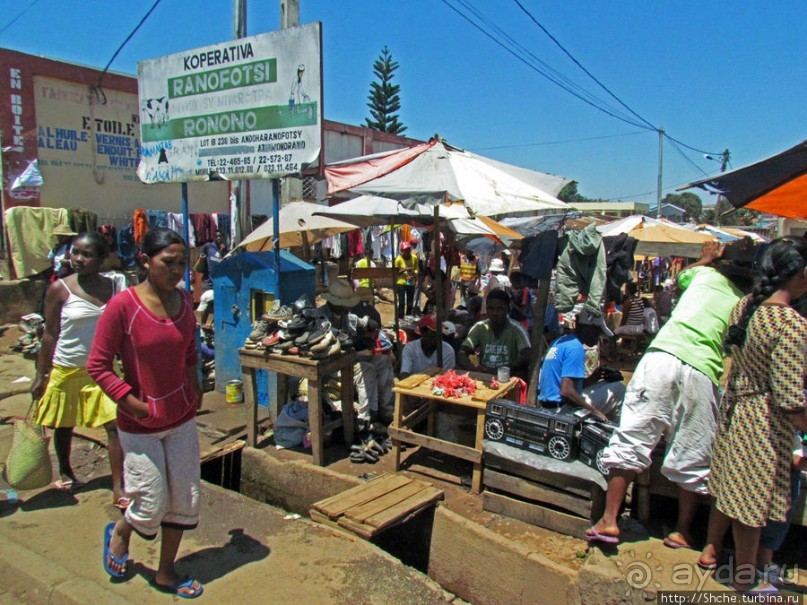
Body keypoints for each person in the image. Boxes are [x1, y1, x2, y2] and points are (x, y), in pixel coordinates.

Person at [586, 241, 751, 548]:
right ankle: (681, 530)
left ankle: (609, 521)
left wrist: (703, 259)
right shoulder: (746, 301)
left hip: (660, 358)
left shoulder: (703, 275)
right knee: (694, 451)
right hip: (702, 369)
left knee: (632, 436)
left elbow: (679, 279)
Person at [87, 228, 204, 598]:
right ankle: (121, 531)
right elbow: (98, 364)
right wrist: (128, 400)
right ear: (144, 261)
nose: (176, 271)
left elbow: (188, 351)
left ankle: (166, 571)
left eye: (181, 264)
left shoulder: (185, 303)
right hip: (139, 423)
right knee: (150, 500)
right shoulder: (123, 306)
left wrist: (195, 384)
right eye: (168, 263)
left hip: (181, 416)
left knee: (184, 499)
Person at [698, 237, 806, 593]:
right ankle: (747, 576)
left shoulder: (745, 307)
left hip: (736, 408)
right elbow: (790, 398)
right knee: (751, 505)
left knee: (731, 489)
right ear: (802, 276)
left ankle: (712, 550)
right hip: (763, 420)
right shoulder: (789, 324)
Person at [32, 232, 126, 507]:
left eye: (86, 255)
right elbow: (50, 333)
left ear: (101, 260)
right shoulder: (59, 289)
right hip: (67, 367)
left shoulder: (112, 288)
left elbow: (121, 329)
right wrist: (41, 374)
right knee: (64, 423)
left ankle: (118, 485)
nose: (78, 259)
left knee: (114, 425)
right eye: (75, 252)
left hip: (103, 369)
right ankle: (65, 470)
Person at [316, 279, 394, 428]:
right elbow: (333, 338)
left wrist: (369, 323)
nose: (347, 308)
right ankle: (367, 417)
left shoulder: (345, 315)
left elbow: (359, 321)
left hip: (348, 360)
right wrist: (357, 341)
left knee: (384, 361)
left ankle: (386, 410)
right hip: (330, 366)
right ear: (334, 303)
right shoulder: (319, 317)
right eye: (345, 305)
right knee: (366, 369)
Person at [536, 311, 622, 421]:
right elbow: (566, 391)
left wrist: (593, 378)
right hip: (561, 410)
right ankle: (615, 431)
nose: (597, 338)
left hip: (548, 404)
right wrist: (594, 411)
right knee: (618, 389)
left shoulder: (560, 341)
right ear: (589, 328)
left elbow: (561, 385)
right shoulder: (576, 347)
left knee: (609, 384)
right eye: (597, 332)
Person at [457, 289, 531, 379]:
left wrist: (502, 369)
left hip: (507, 377)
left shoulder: (516, 329)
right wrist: (473, 369)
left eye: (499, 309)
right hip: (485, 376)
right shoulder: (480, 327)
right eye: (490, 309)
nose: (494, 313)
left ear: (508, 309)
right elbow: (462, 352)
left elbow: (527, 355)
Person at [399, 314, 456, 379]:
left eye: (439, 332)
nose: (437, 335)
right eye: (433, 332)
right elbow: (404, 372)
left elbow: (445, 377)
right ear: (422, 331)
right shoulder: (410, 348)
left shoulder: (448, 351)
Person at [394, 241, 418, 318]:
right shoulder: (398, 259)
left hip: (411, 282)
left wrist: (413, 276)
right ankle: (400, 318)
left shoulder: (414, 258)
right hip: (401, 283)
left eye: (408, 249)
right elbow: (395, 272)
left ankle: (408, 318)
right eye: (406, 250)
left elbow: (417, 269)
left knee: (410, 303)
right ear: (402, 251)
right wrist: (405, 269)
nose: (407, 251)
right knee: (401, 303)